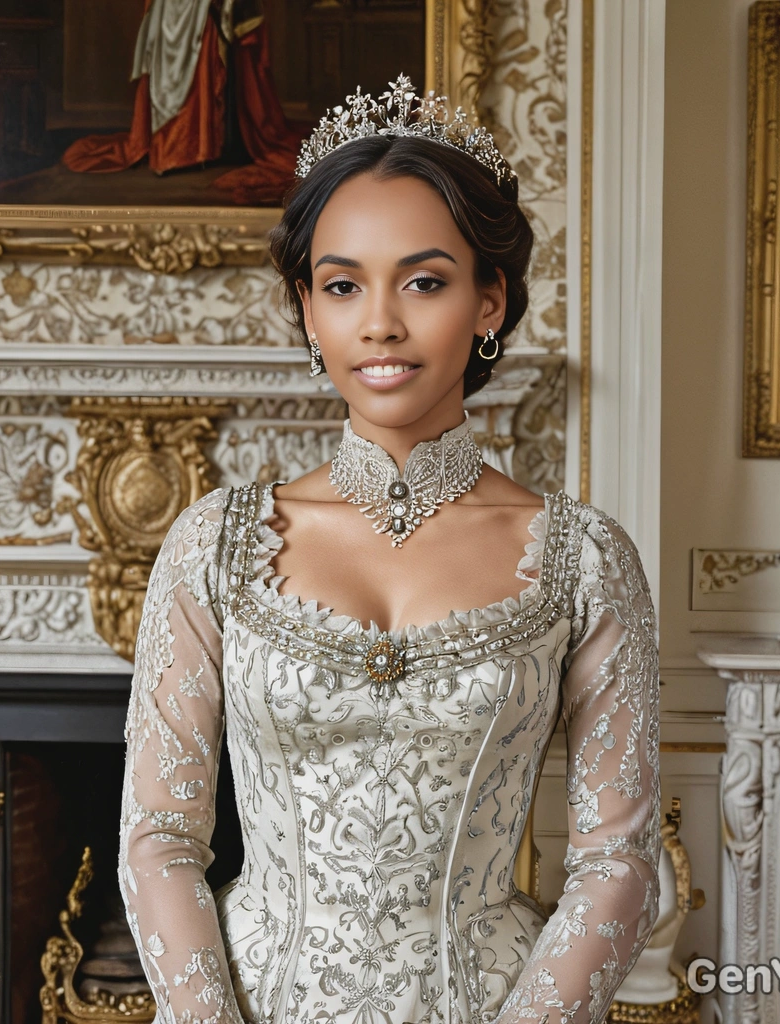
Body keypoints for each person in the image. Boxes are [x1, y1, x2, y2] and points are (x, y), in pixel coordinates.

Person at [118, 76, 661, 1024]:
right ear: (308, 308)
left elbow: (618, 866)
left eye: (424, 280)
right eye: (342, 285)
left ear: (489, 301)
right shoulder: (212, 545)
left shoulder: (586, 561)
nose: (380, 322)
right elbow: (158, 840)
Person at [62, 0, 304, 204]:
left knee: (203, 50)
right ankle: (182, 151)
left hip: (198, 13)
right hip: (178, 12)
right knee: (185, 58)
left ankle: (203, 147)